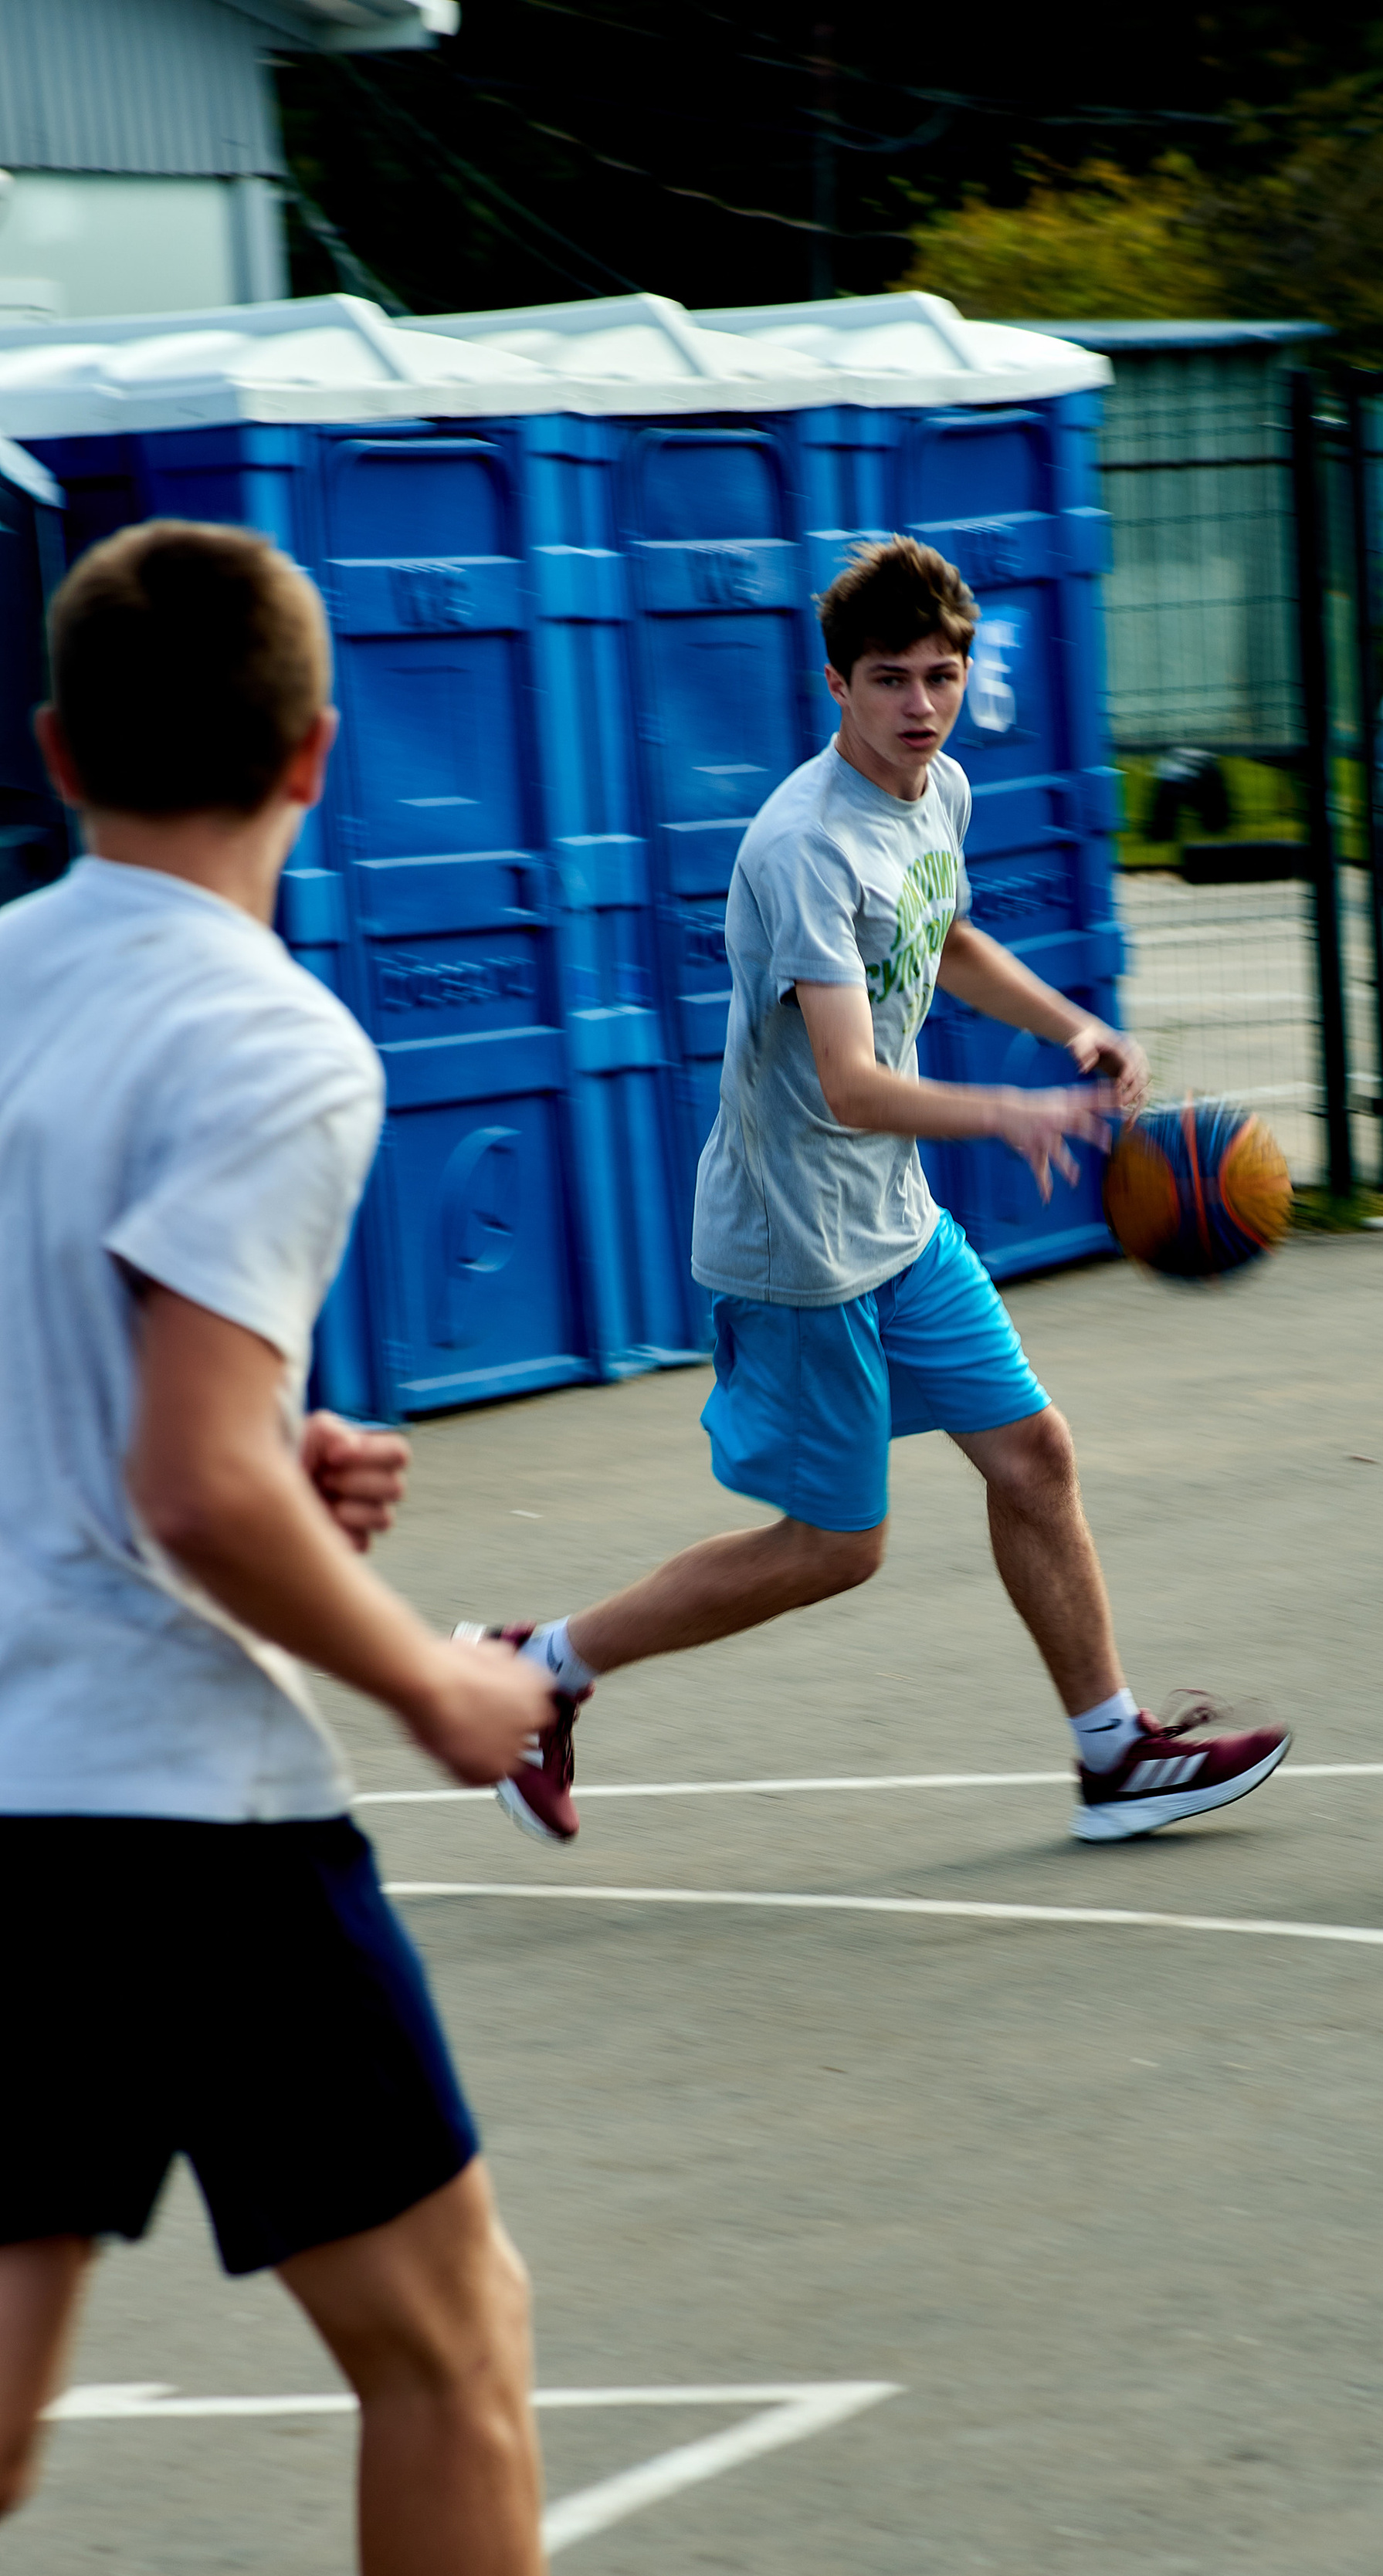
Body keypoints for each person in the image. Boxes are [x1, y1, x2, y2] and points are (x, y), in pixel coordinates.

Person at [0, 521, 812, 2576]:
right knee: (453, 2350)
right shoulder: (272, 1033)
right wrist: (435, 1672)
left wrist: (280, 1438)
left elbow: (155, 1421)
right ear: (320, 759)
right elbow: (177, 1479)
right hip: (160, 1798)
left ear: (52, 756)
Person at [462, 537, 1290, 1850]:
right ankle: (536, 1665)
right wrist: (1009, 1110)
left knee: (1034, 1452)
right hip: (798, 1245)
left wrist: (1071, 1026)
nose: (920, 705)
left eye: (942, 675)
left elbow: (941, 933)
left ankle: (1112, 1754)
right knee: (835, 1547)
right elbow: (849, 1081)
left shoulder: (935, 790)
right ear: (835, 683)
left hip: (892, 1220)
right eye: (891, 679)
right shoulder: (800, 847)